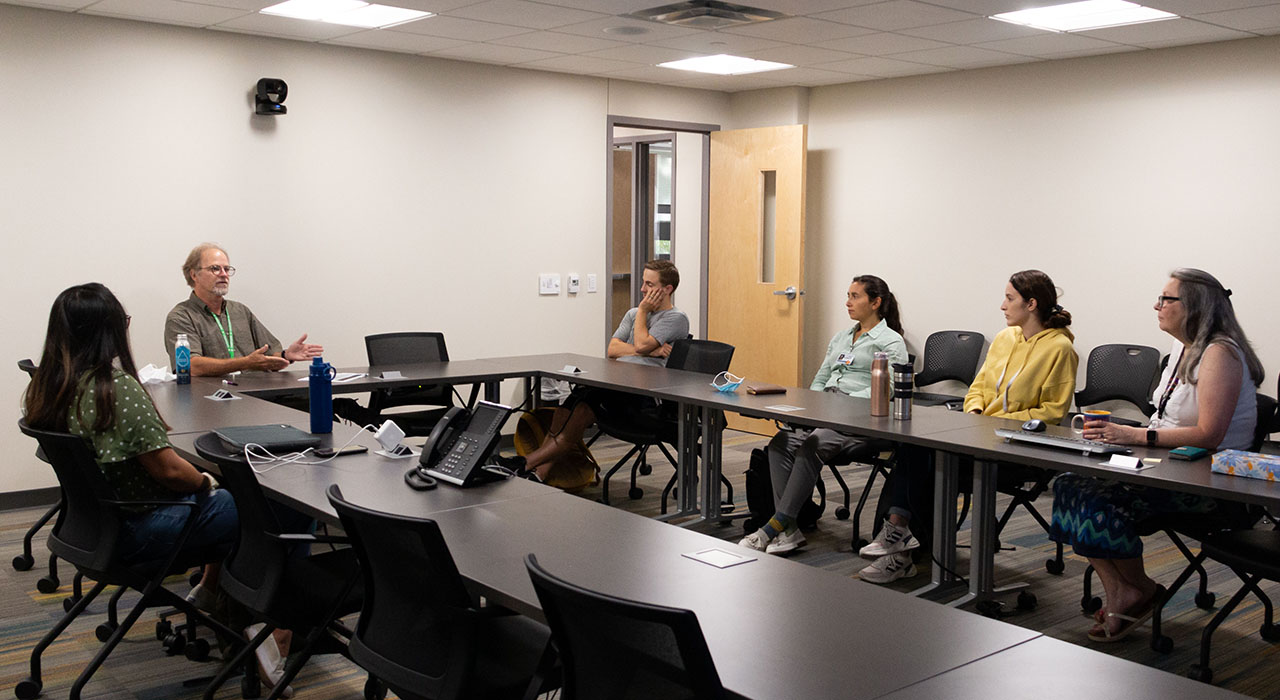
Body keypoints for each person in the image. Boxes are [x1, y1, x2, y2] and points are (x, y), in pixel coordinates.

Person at [1050, 269, 1262, 642]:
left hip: (1209, 486)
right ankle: (1126, 589)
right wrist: (1120, 443)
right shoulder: (1183, 349)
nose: (1157, 305)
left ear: (1194, 306)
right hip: (1168, 468)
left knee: (1096, 499)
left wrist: (1132, 434)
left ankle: (1133, 590)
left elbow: (1209, 434)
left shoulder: (1220, 353)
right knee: (1069, 484)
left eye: (1166, 299)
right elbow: (1164, 419)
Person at [25, 283, 236, 609]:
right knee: (266, 508)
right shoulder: (115, 389)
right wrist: (206, 481)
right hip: (140, 527)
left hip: (90, 528)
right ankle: (261, 620)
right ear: (108, 330)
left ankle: (212, 590)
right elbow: (170, 472)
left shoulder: (50, 386)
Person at [860, 269, 1078, 584]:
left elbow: (1052, 412)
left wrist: (994, 423)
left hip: (1016, 448)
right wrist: (974, 411)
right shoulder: (1005, 339)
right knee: (915, 447)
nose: (1002, 306)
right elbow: (977, 387)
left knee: (928, 461)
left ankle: (899, 547)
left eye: (1009, 298)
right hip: (978, 435)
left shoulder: (1060, 348)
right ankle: (899, 539)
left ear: (1032, 304)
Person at [738, 275, 908, 555]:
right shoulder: (842, 337)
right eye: (848, 295)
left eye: (855, 297)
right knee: (780, 443)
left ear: (876, 302)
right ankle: (790, 531)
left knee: (810, 447)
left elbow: (885, 392)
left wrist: (840, 405)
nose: (848, 302)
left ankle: (776, 525)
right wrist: (814, 404)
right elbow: (821, 377)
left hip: (859, 420)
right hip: (824, 412)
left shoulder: (891, 342)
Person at [504, 260, 689, 482]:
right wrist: (651, 350)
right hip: (616, 383)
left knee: (582, 410)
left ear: (667, 289)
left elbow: (639, 344)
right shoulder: (632, 315)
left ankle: (526, 462)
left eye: (649, 284)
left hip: (643, 396)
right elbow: (613, 350)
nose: (642, 289)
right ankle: (539, 472)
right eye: (643, 282)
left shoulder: (675, 318)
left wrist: (642, 311)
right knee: (569, 406)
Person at [164, 243, 323, 376]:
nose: (224, 275)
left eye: (227, 269)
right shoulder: (181, 317)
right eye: (215, 269)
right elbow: (192, 366)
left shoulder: (240, 311)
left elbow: (267, 355)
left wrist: (285, 355)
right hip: (213, 400)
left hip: (258, 394)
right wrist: (245, 363)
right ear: (194, 274)